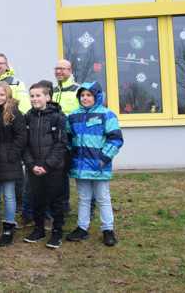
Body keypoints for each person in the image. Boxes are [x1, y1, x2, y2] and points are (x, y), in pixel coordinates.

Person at [65, 82, 124, 247]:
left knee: (103, 198)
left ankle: (108, 230)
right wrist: (70, 158)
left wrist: (103, 158)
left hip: (99, 165)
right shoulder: (73, 116)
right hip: (80, 166)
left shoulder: (107, 115)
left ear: (97, 97)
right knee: (84, 198)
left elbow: (116, 139)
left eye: (89, 95)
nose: (85, 98)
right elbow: (68, 139)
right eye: (82, 95)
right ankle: (82, 228)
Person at [22, 82, 68, 249]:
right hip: (34, 167)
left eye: (38, 95)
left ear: (47, 97)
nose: (34, 99)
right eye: (32, 96)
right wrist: (31, 164)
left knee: (56, 200)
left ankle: (57, 232)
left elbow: (61, 144)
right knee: (37, 199)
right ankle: (39, 229)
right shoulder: (28, 117)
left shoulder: (58, 117)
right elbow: (24, 145)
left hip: (54, 168)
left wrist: (47, 165)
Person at [0, 82, 27, 247]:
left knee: (9, 196)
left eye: (2, 95)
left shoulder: (15, 113)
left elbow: (21, 136)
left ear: (8, 95)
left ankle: (9, 227)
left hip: (10, 160)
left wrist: (13, 154)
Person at [52, 59, 80, 216]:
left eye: (62, 69)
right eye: (56, 69)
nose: (59, 72)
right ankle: (64, 206)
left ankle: (89, 206)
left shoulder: (78, 89)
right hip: (56, 139)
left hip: (73, 137)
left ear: (70, 70)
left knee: (79, 174)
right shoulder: (54, 90)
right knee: (61, 175)